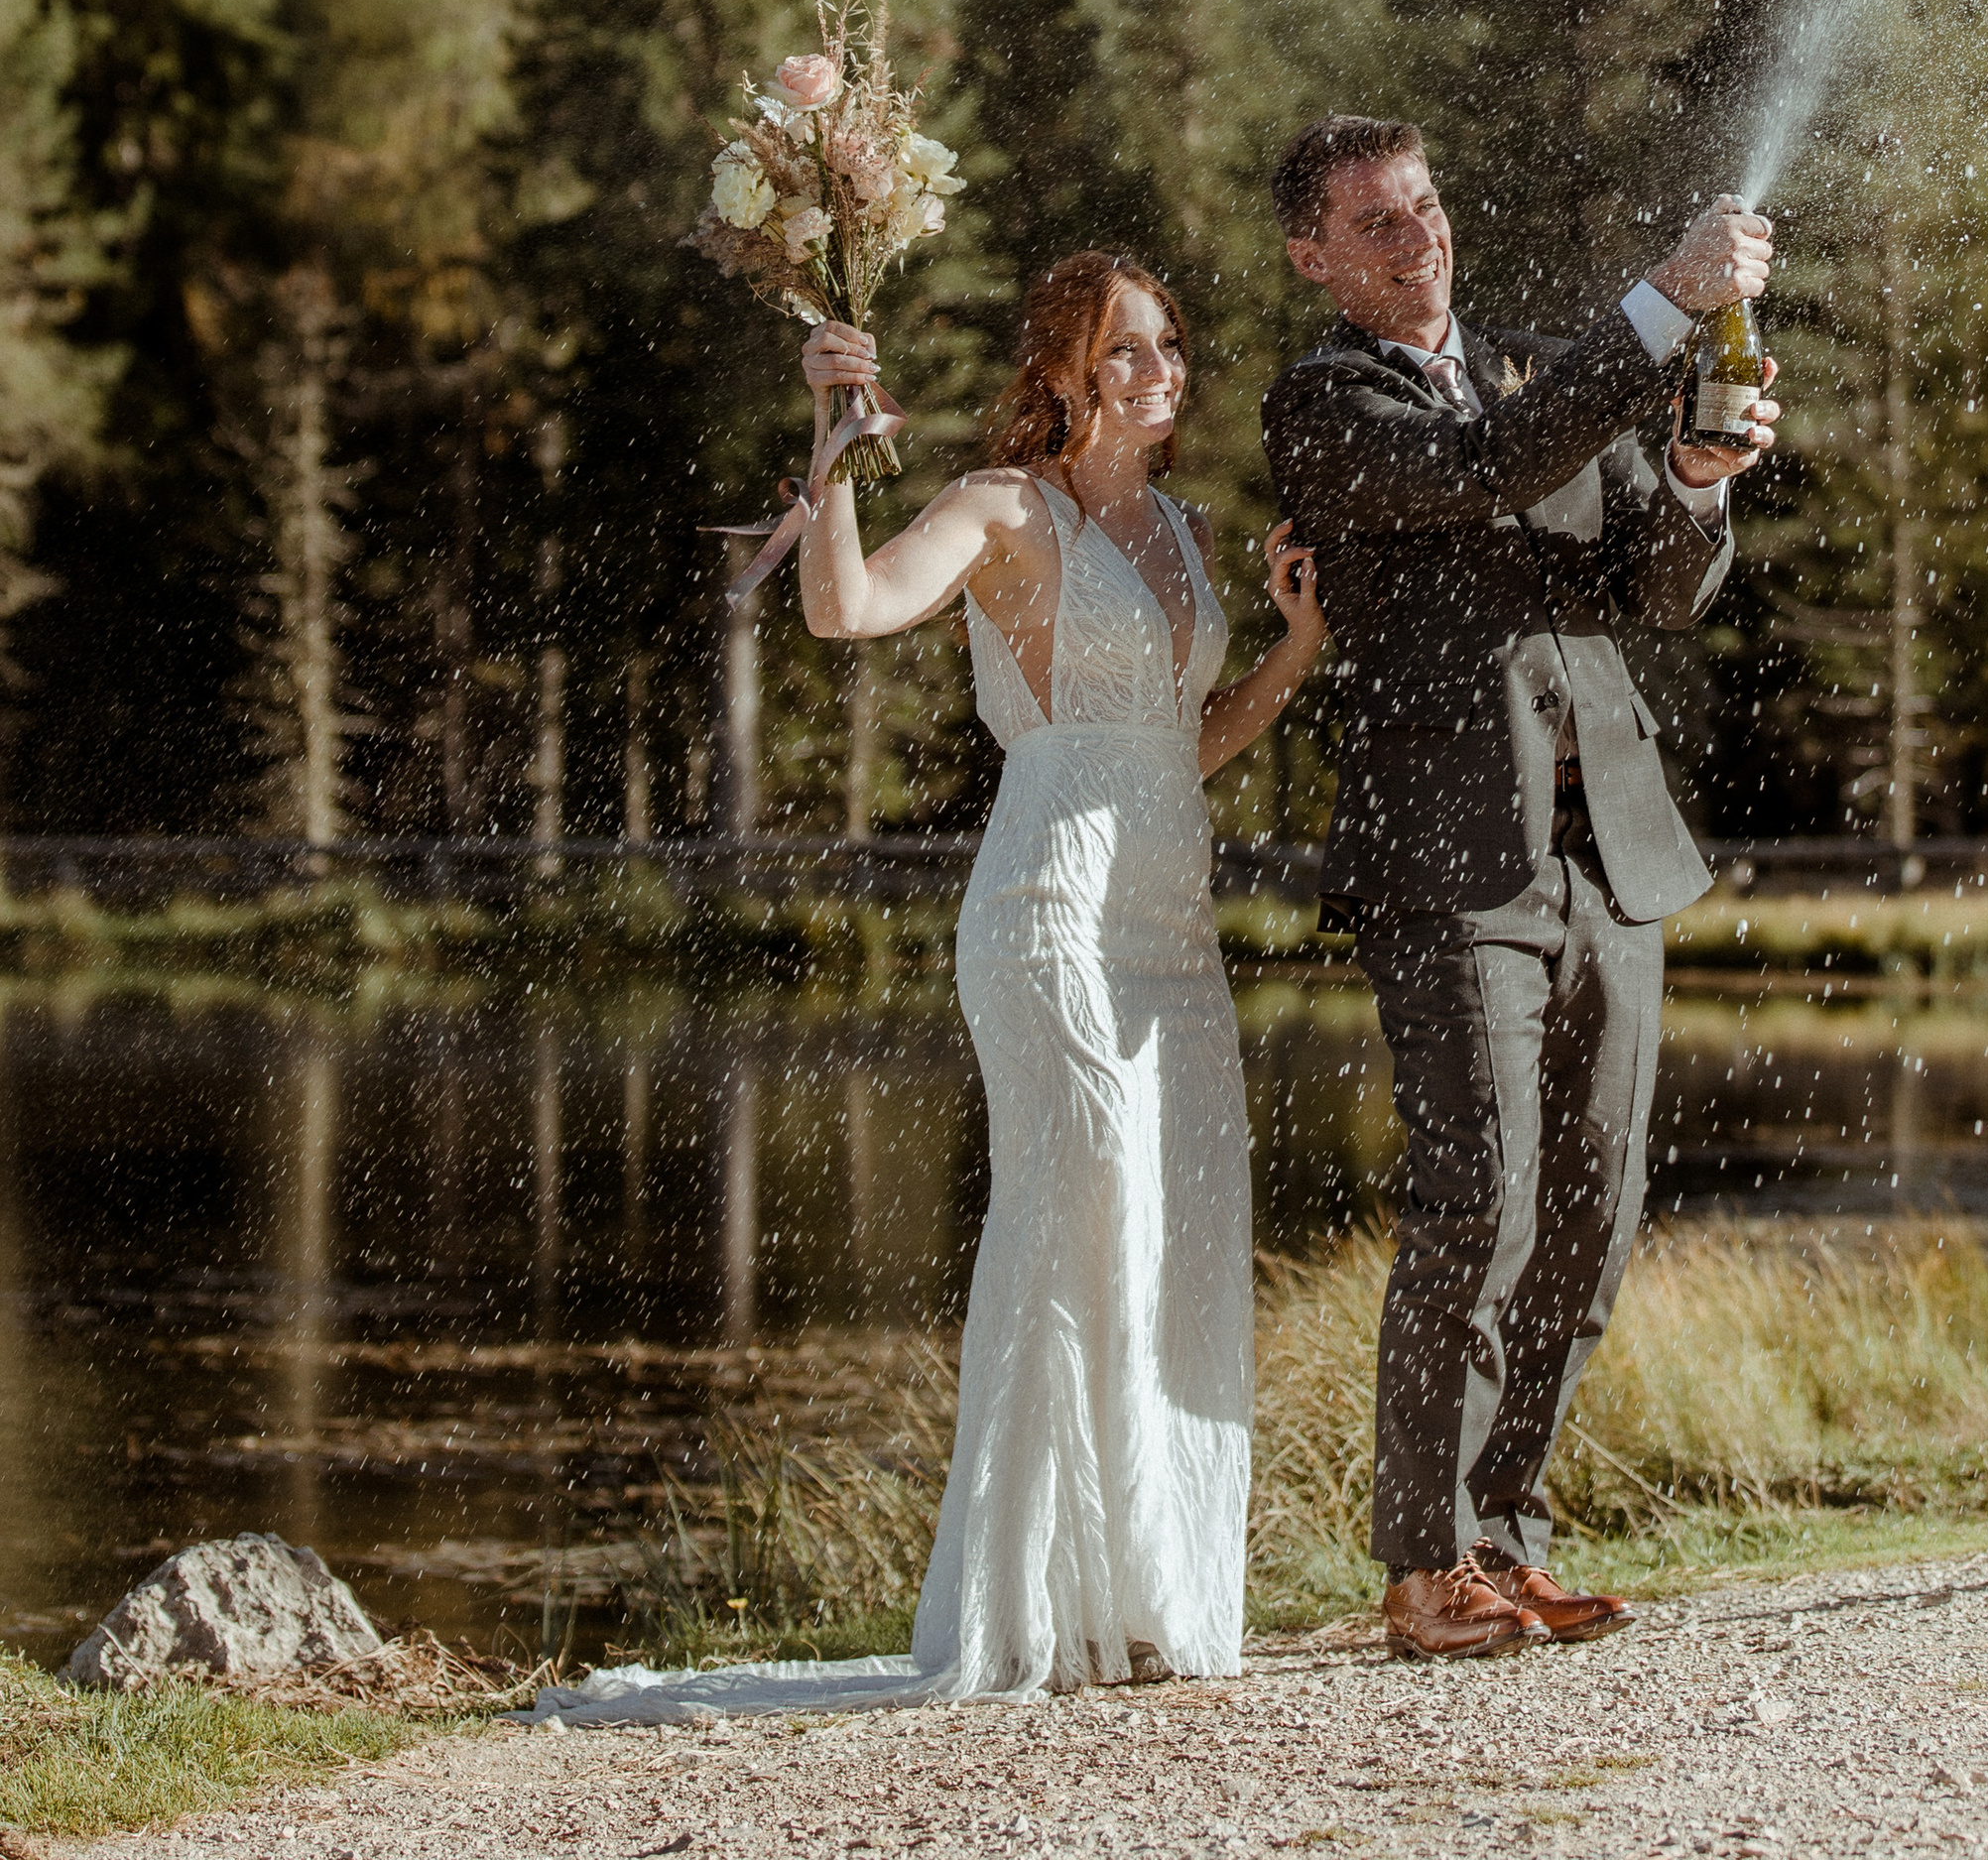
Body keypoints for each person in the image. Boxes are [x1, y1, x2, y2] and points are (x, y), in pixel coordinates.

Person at [544, 249, 1322, 1724]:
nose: (1157, 374)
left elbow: (1182, 744)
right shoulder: (999, 509)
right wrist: (835, 437)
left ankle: (1139, 1598)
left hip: (1171, 927)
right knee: (1078, 1199)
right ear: (1062, 371)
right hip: (1046, 915)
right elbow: (841, 611)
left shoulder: (1186, 526)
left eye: (1166, 350)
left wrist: (1294, 646)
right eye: (1124, 354)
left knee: (1170, 1230)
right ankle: (1022, 1606)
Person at [1262, 116, 1776, 1663]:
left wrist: (1693, 475)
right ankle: (1424, 1569)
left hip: (1609, 859)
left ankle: (1509, 1534)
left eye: (1421, 205)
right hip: (1451, 866)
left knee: (1592, 1214)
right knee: (1473, 1201)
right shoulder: (1326, 406)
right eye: (1372, 223)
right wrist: (1665, 307)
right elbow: (1483, 473)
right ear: (1314, 258)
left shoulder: (1539, 380)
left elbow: (1656, 593)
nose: (1413, 237)